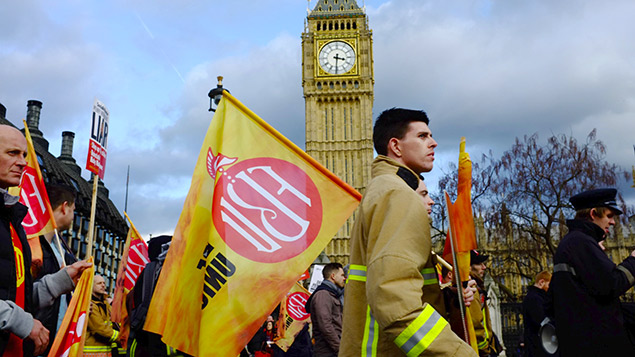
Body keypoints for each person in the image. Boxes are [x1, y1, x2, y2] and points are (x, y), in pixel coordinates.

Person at [339, 108, 476, 356]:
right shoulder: (398, 194)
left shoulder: (383, 188)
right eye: (422, 136)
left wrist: (449, 298)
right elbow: (395, 300)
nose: (433, 142)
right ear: (396, 146)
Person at [0, 124, 91, 356]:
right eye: (12, 153)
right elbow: (15, 312)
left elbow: (17, 296)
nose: (22, 162)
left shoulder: (12, 221)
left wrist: (59, 282)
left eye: (24, 154)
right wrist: (22, 322)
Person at [550, 188, 635, 356]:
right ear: (594, 213)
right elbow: (611, 285)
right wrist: (633, 261)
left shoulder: (575, 242)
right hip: (596, 344)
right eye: (609, 216)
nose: (613, 222)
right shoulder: (581, 243)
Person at [33, 183, 79, 353]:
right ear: (65, 207)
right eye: (74, 210)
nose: (74, 216)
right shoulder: (33, 246)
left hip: (56, 343)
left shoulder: (63, 252)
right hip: (36, 341)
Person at [305, 262, 345, 356]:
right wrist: (339, 349)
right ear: (333, 276)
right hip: (327, 352)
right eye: (342, 275)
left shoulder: (333, 294)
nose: (344, 278)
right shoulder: (323, 295)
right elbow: (325, 325)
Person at [469, 250, 501, 357]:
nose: (484, 267)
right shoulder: (471, 290)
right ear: (469, 267)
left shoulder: (477, 287)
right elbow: (476, 322)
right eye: (479, 264)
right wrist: (485, 349)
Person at [84, 274, 119, 356]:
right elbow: (99, 329)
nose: (103, 285)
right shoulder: (90, 305)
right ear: (91, 286)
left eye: (103, 283)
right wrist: (121, 337)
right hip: (91, 353)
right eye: (99, 283)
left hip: (105, 351)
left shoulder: (106, 304)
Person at [521, 271, 551, 357]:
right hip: (538, 344)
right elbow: (542, 321)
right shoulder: (535, 298)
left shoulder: (533, 297)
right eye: (549, 285)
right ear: (542, 282)